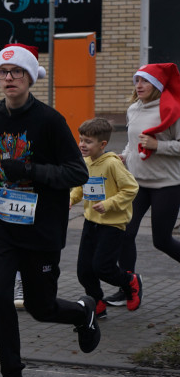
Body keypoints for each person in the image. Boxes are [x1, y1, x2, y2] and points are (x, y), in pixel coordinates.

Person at [0, 43, 96, 377]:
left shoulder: (50, 121)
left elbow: (77, 171)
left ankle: (82, 312)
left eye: (16, 72)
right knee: (0, 297)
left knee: (41, 307)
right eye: (3, 73)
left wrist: (31, 171)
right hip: (1, 223)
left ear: (29, 77)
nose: (9, 78)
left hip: (41, 228)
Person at [106, 63, 180, 307]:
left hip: (167, 184)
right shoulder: (133, 109)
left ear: (157, 85)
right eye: (136, 81)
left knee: (161, 240)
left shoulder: (172, 110)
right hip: (137, 184)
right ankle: (128, 287)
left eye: (144, 81)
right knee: (125, 235)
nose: (138, 86)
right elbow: (132, 143)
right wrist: (124, 155)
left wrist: (158, 146)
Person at [69, 117, 140, 317]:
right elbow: (81, 185)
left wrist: (109, 204)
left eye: (88, 141)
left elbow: (131, 188)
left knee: (103, 267)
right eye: (81, 139)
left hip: (112, 224)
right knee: (84, 270)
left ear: (102, 144)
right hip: (91, 222)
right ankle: (97, 304)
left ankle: (131, 282)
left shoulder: (112, 164)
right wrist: (72, 199)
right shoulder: (84, 162)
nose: (82, 144)